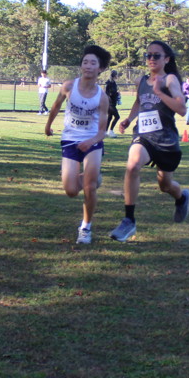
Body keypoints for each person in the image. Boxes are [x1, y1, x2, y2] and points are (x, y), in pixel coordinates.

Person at [110, 40, 189, 243]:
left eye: (156, 55)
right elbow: (139, 101)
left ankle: (181, 197)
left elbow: (182, 109)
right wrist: (129, 119)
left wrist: (159, 92)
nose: (151, 59)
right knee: (132, 165)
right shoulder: (141, 80)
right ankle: (129, 220)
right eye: (148, 55)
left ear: (166, 59)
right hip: (144, 136)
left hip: (166, 140)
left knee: (165, 185)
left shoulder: (170, 80)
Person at [45, 45, 111, 244]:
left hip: (92, 141)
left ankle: (85, 228)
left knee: (89, 188)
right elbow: (56, 105)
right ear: (81, 66)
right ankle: (94, 177)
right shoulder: (68, 86)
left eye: (93, 63)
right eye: (85, 62)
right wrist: (48, 126)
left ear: (100, 69)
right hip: (69, 139)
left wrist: (90, 141)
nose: (88, 66)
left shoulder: (102, 97)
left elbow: (102, 132)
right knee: (71, 190)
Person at [104, 70, 121, 136]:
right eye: (116, 74)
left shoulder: (113, 82)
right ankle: (111, 131)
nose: (117, 76)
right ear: (114, 75)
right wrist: (117, 94)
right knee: (117, 117)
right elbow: (110, 93)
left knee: (110, 117)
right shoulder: (110, 83)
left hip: (112, 103)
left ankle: (105, 132)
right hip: (110, 103)